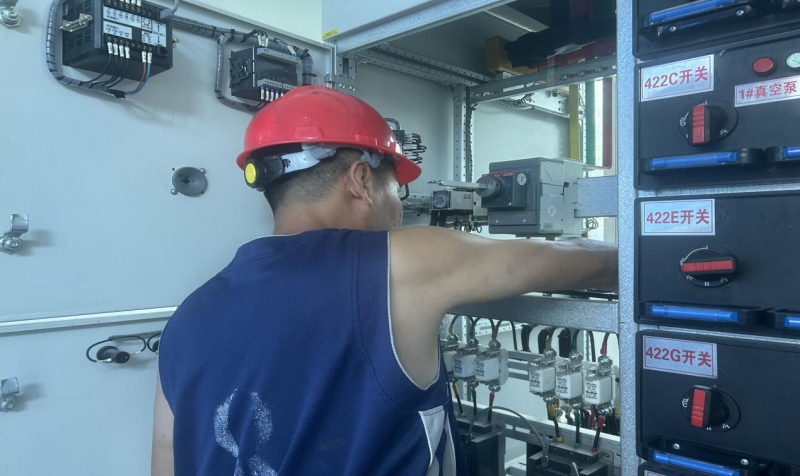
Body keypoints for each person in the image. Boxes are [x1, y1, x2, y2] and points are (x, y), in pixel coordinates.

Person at [151, 85, 617, 476]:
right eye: (398, 187)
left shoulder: (187, 318)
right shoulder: (397, 262)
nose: (400, 204)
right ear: (361, 179)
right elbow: (585, 262)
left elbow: (165, 460)